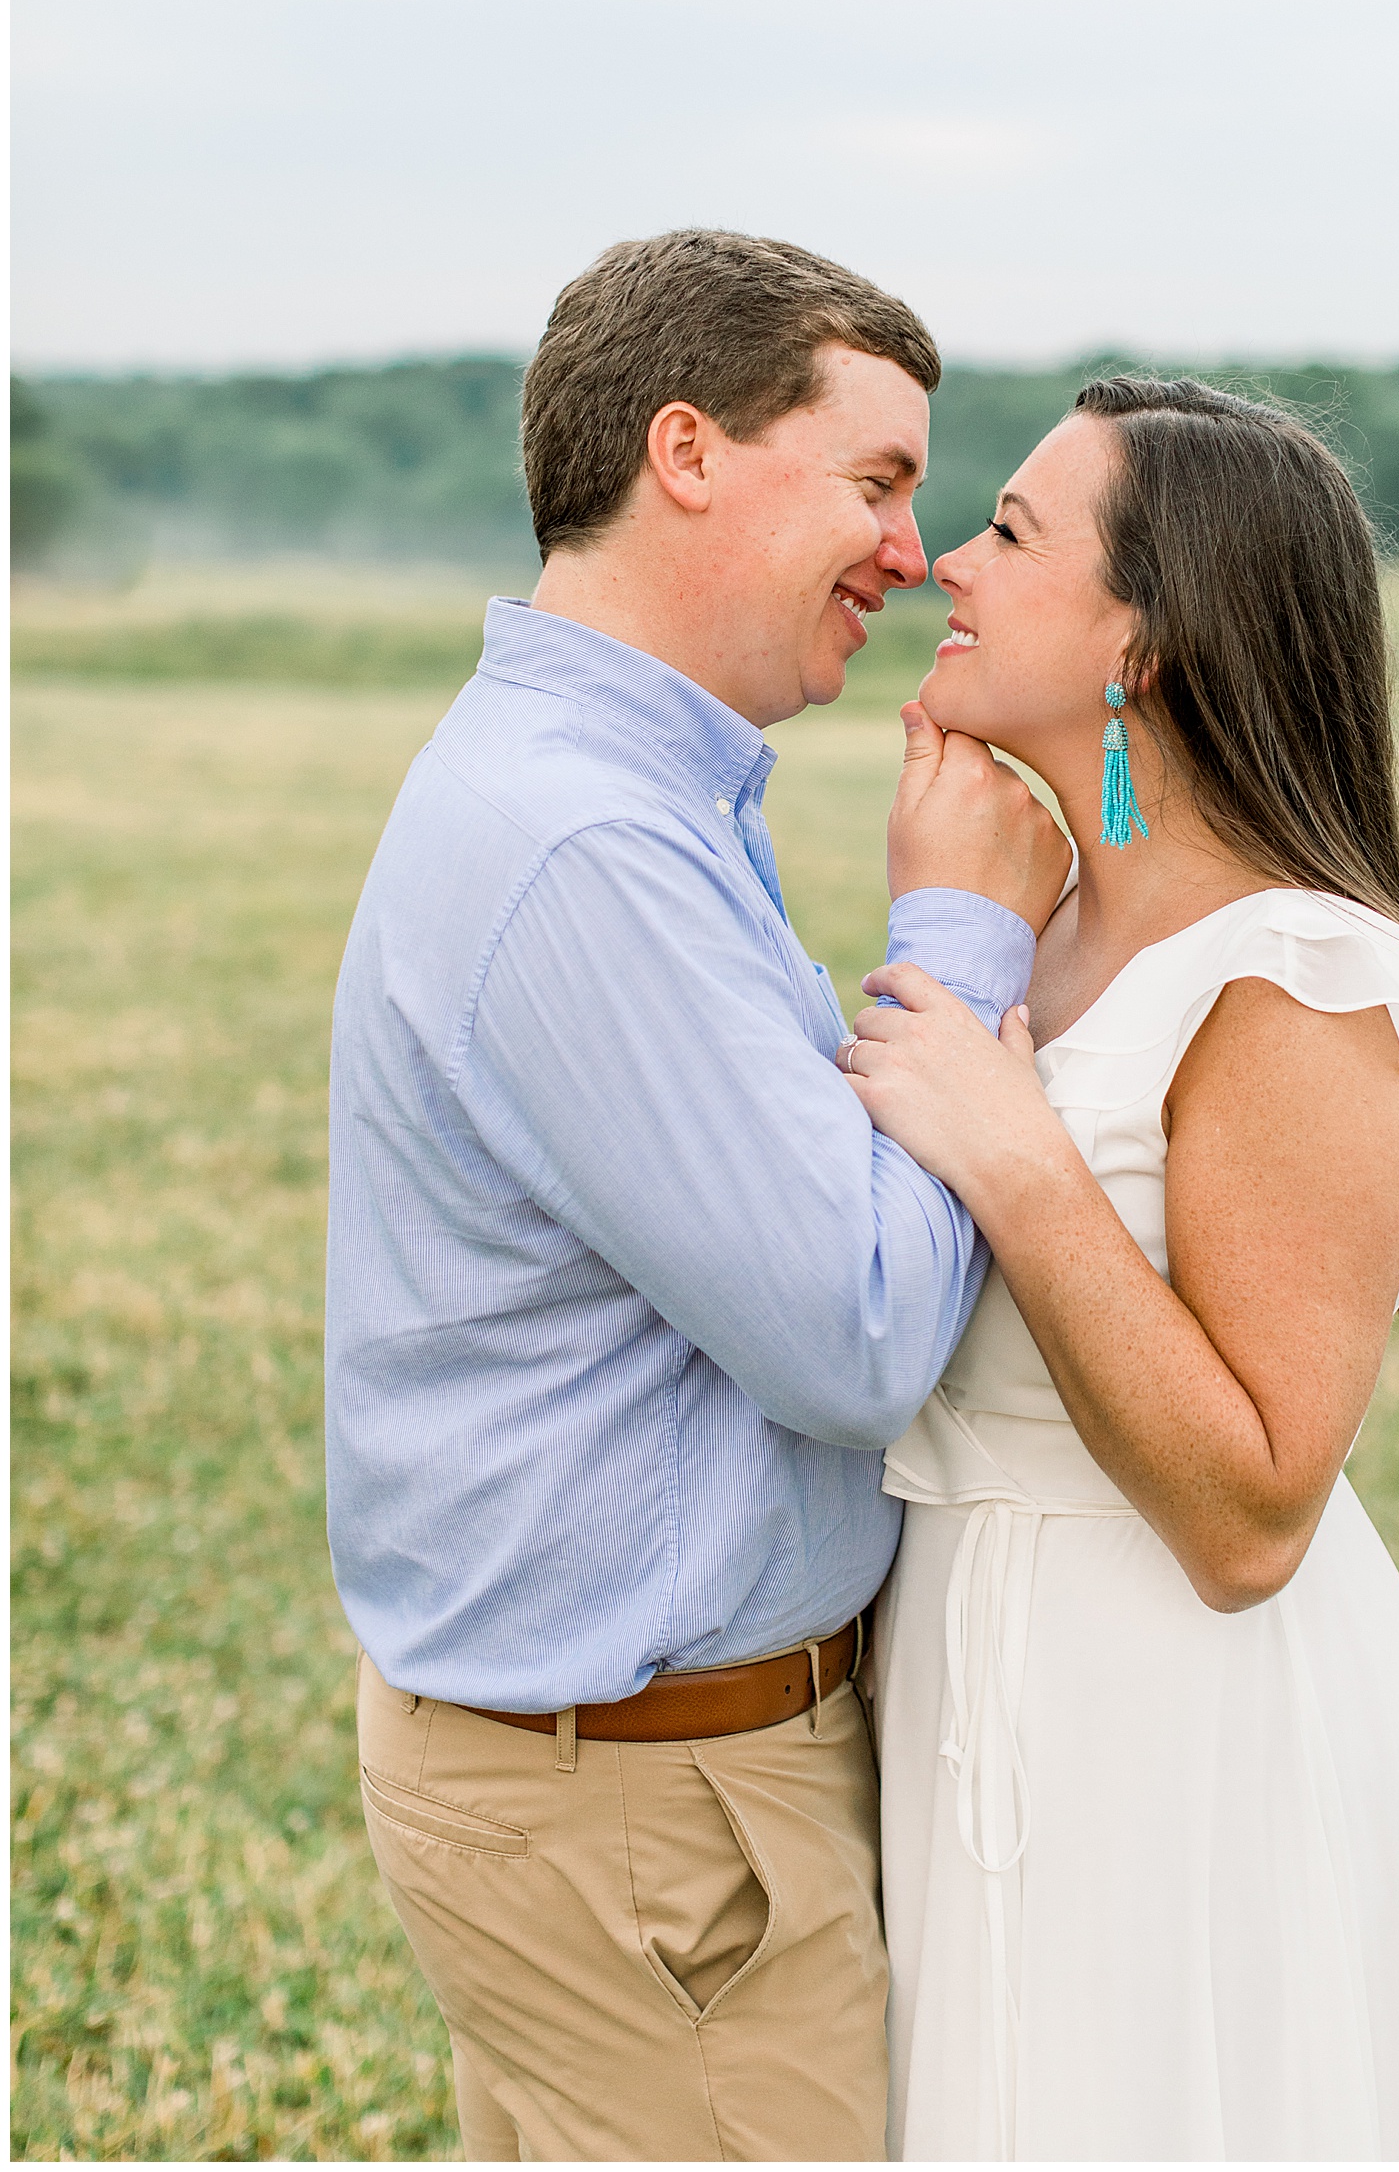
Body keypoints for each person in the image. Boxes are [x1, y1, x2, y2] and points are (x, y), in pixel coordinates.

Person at [324, 229, 1070, 2163]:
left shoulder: (626, 793)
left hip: (632, 1803)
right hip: (657, 1830)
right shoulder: (586, 838)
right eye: (878, 478)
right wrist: (964, 936)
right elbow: (854, 1335)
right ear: (687, 452)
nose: (911, 550)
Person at [839, 377, 1399, 2162]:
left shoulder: (1300, 979)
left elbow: (1249, 1521)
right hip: (979, 1690)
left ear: (1142, 640)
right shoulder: (1041, 931)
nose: (943, 564)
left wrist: (1014, 1156)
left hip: (1195, 1750)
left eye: (1008, 534)